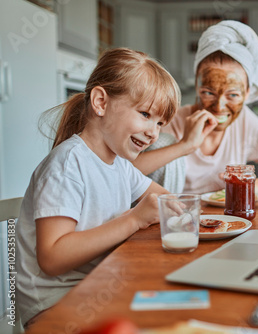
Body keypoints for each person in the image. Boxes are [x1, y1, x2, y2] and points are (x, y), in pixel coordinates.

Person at [15, 48, 179, 326]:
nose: (154, 132)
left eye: (160, 123)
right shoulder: (67, 165)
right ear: (101, 102)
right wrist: (134, 219)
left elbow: (165, 199)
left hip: (98, 285)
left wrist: (181, 209)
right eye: (145, 114)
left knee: (178, 306)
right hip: (56, 304)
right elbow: (53, 257)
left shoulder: (120, 165)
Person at [133, 20, 258, 194]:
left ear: (248, 92)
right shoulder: (170, 122)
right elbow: (123, 173)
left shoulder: (246, 123)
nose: (219, 106)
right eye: (208, 93)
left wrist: (245, 184)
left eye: (233, 95)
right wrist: (185, 145)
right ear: (196, 85)